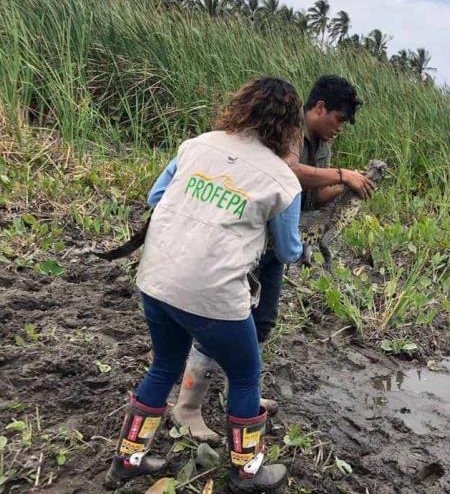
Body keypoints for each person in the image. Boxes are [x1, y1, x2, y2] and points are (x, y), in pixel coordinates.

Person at [104, 77, 307, 491]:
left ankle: (127, 460)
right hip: (213, 294)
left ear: (242, 107)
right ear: (290, 126)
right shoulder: (284, 182)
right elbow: (287, 252)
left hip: (157, 278)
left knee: (164, 364)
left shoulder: (195, 145)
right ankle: (246, 471)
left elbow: (155, 197)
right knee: (247, 375)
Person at [172, 75, 377, 442]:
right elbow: (288, 173)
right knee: (227, 317)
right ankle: (187, 407)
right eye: (339, 119)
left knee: (261, 322)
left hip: (278, 240)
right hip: (251, 237)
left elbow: (311, 198)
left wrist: (348, 188)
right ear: (319, 109)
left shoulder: (322, 145)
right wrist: (344, 175)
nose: (340, 129)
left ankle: (241, 396)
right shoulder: (290, 129)